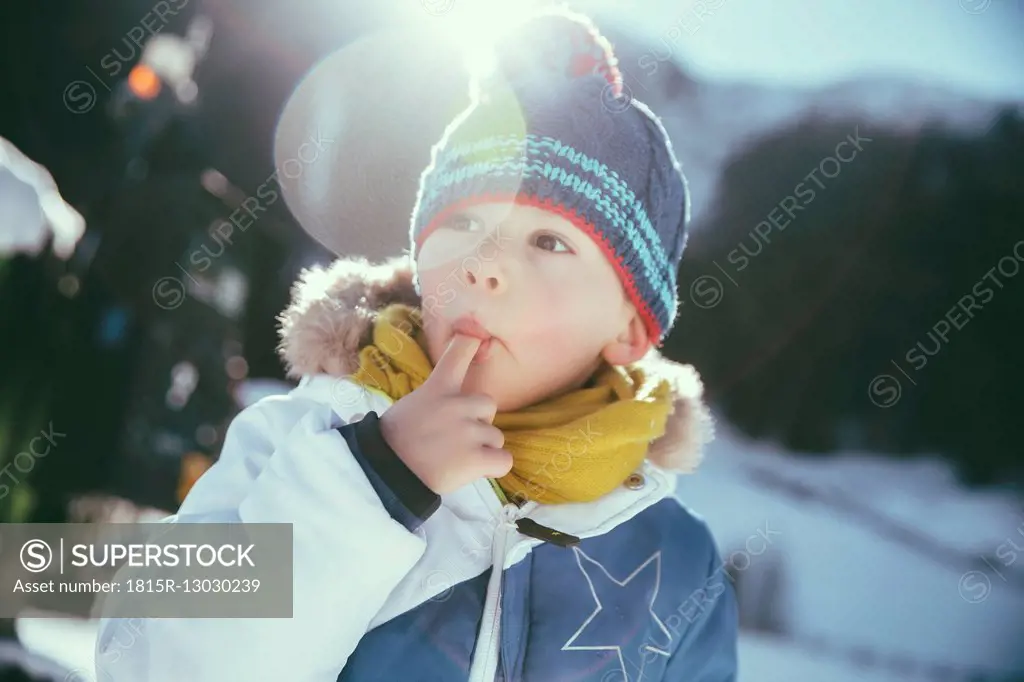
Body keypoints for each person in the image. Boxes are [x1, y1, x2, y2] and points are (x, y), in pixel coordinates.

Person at [95, 8, 737, 681]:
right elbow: (150, 662)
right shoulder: (297, 439)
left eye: (550, 241)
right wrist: (379, 478)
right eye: (463, 220)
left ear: (630, 329)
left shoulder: (675, 560)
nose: (484, 264)